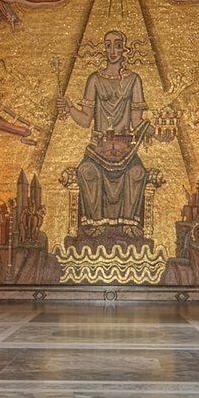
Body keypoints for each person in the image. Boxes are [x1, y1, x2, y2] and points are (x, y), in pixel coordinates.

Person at [57, 30, 162, 241]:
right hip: (98, 150)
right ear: (104, 49)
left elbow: (137, 122)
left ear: (125, 49)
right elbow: (85, 120)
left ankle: (129, 223)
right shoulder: (95, 80)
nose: (113, 50)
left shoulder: (134, 80)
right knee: (87, 171)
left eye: (118, 45)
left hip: (125, 150)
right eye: (108, 45)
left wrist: (159, 132)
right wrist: (69, 108)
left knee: (137, 173)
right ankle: (95, 223)